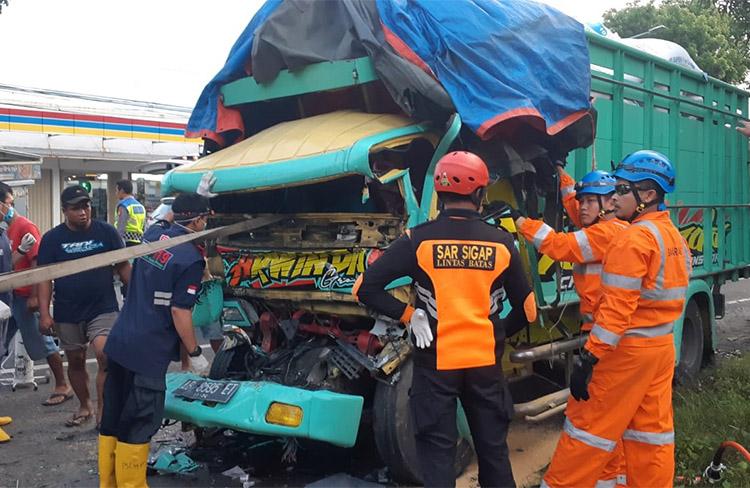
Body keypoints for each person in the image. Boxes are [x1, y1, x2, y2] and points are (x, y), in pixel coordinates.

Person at [354, 151, 537, 488]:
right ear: (480, 194)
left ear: (440, 192)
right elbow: (527, 311)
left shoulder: (418, 240)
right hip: (484, 364)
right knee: (493, 453)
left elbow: (365, 288)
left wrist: (411, 315)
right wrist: (496, 333)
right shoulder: (501, 242)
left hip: (435, 363)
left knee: (438, 458)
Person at [542, 150, 691, 488]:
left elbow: (616, 310)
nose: (613, 198)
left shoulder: (633, 238)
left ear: (648, 195)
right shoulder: (672, 237)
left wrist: (589, 358)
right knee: (650, 435)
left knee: (586, 431)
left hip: (624, 352)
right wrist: (564, 177)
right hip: (660, 348)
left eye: (622, 190)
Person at [507, 168, 629, 487]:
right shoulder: (603, 224)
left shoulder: (605, 234)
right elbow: (575, 209)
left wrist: (521, 222)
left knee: (588, 420)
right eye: (583, 200)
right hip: (607, 337)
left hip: (605, 342)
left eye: (590, 201)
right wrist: (560, 174)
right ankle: (610, 480)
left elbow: (558, 246)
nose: (583, 206)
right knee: (610, 424)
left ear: (608, 204)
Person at [99, 192, 211, 488]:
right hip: (148, 353)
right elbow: (179, 310)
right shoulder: (191, 259)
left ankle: (107, 484)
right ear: (200, 220)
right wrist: (195, 351)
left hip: (121, 342)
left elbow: (166, 218)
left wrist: (192, 197)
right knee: (139, 422)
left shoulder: (153, 234)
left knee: (112, 418)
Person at [37, 185, 131, 429]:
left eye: (86, 206)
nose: (83, 212)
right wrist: (45, 313)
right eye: (76, 208)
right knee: (76, 361)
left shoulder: (107, 233)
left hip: (103, 307)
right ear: (65, 210)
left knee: (105, 354)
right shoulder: (51, 240)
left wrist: (138, 297)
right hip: (68, 311)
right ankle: (85, 405)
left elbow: (123, 268)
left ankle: (103, 409)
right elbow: (44, 278)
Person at [0, 183, 73, 406]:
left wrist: (35, 295)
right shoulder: (3, 230)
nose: (11, 208)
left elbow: (37, 262)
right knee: (2, 347)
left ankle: (62, 384)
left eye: (11, 204)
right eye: (9, 204)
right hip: (8, 297)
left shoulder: (24, 226)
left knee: (43, 342)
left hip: (23, 296)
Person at [115, 180, 146, 247]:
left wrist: (116, 243)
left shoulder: (124, 205)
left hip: (125, 242)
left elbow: (121, 228)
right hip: (138, 242)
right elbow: (143, 227)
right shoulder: (141, 206)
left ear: (122, 190)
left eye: (117, 190)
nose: (116, 193)